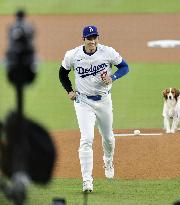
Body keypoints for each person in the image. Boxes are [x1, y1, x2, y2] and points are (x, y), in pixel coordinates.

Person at [59, 25, 129, 192]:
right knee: (87, 139)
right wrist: (69, 90)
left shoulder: (108, 52)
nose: (92, 41)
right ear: (83, 39)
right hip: (83, 102)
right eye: (89, 38)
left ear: (98, 38)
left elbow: (125, 67)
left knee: (108, 138)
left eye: (95, 38)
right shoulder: (73, 55)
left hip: (104, 101)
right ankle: (87, 180)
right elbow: (62, 73)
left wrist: (113, 77)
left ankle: (108, 160)